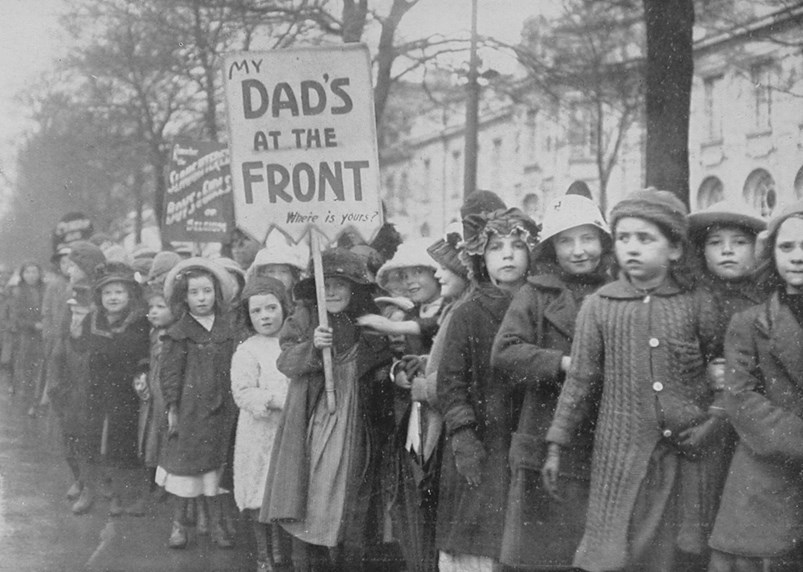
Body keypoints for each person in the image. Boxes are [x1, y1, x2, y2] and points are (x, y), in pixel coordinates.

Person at [543, 189, 724, 572]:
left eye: (646, 238)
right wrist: (556, 444)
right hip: (623, 457)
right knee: (628, 550)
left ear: (674, 249)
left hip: (688, 454)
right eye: (624, 238)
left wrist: (713, 418)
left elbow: (721, 365)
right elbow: (580, 382)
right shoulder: (600, 305)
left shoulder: (696, 302)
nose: (633, 248)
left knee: (682, 552)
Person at [491, 194, 612, 569]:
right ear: (551, 248)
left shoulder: (615, 292)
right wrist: (561, 362)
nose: (578, 251)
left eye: (587, 238)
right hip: (544, 438)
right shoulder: (536, 294)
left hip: (602, 440)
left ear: (603, 242)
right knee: (541, 558)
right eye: (566, 240)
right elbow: (505, 353)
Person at [262, 248, 393, 571]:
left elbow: (382, 356)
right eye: (327, 285)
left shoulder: (364, 319)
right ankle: (311, 562)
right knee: (315, 491)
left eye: (341, 285)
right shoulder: (307, 317)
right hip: (319, 418)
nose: (332, 292)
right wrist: (312, 347)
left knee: (353, 494)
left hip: (357, 418)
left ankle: (348, 560)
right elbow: (285, 359)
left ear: (354, 289)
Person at [436, 206, 539, 572]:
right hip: (483, 439)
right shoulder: (470, 312)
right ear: (481, 258)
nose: (508, 254)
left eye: (517, 245)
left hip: (527, 435)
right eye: (496, 247)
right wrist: (463, 434)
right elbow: (450, 380)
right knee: (477, 542)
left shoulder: (541, 306)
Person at [707, 200, 803, 571]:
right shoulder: (751, 323)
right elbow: (741, 398)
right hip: (768, 477)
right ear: (772, 254)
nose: (797, 257)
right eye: (787, 247)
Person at [359, 238, 445, 572]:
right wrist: (397, 374)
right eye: (404, 275)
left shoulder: (448, 310)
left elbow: (432, 330)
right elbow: (394, 358)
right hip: (413, 419)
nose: (411, 281)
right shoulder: (410, 313)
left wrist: (394, 326)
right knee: (411, 495)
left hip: (443, 415)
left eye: (419, 272)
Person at [156, 257, 238, 549]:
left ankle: (216, 524)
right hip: (191, 410)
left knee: (217, 468)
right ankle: (179, 524)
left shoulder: (229, 329)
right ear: (185, 297)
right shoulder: (179, 333)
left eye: (207, 291)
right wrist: (173, 409)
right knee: (186, 467)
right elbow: (170, 374)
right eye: (194, 293)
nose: (201, 298)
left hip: (224, 407)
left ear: (216, 293)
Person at [69, 261, 151, 517]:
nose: (113, 298)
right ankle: (88, 490)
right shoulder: (93, 319)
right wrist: (74, 335)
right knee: (90, 438)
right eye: (107, 293)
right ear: (99, 296)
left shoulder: (139, 322)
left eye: (119, 292)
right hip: (95, 389)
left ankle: (119, 494)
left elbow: (142, 354)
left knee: (121, 443)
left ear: (130, 295)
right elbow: (80, 348)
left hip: (125, 391)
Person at [231, 275, 292, 572]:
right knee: (259, 491)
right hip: (259, 431)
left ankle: (280, 547)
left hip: (289, 429)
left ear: (284, 306)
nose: (265, 316)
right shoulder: (248, 350)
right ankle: (263, 553)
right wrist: (275, 400)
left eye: (271, 308)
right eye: (257, 311)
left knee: (282, 488)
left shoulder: (294, 343)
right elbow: (242, 392)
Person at [11, 261, 46, 416]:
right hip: (26, 336)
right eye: (27, 272)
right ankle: (30, 402)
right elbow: (16, 317)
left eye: (34, 272)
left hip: (45, 334)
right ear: (22, 274)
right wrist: (33, 324)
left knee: (43, 369)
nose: (31, 275)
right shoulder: (18, 292)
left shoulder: (45, 289)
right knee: (28, 370)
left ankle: (39, 401)